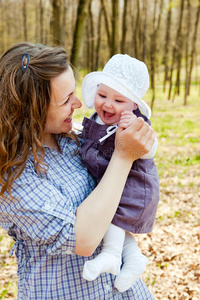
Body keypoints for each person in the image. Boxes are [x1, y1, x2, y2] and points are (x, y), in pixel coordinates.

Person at [0, 42, 156, 300]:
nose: (79, 103)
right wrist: (124, 154)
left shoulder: (72, 139)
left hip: (122, 292)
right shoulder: (13, 175)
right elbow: (83, 239)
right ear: (32, 109)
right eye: (66, 99)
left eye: (75, 92)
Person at [80, 54, 160, 292]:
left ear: (134, 105)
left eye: (118, 100)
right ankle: (134, 259)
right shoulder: (96, 119)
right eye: (102, 95)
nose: (108, 105)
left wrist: (132, 131)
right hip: (110, 182)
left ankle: (112, 255)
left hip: (133, 185)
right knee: (109, 217)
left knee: (112, 218)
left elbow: (150, 149)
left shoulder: (135, 123)